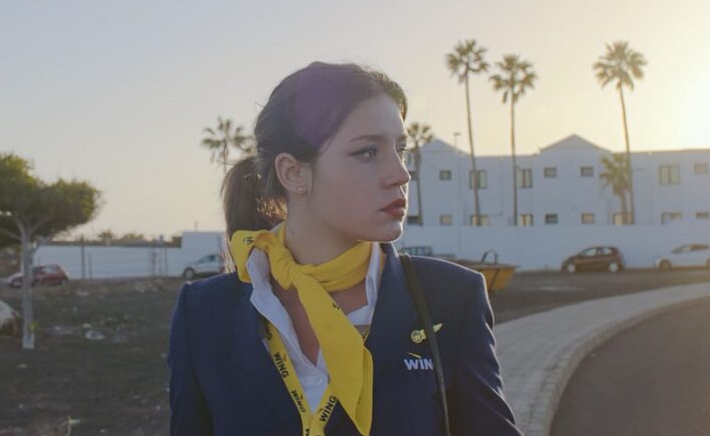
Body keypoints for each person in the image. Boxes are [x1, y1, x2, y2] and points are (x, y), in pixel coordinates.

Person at [167, 61, 522, 435]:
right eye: (368, 152)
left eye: (401, 149)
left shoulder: (450, 298)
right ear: (294, 172)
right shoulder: (204, 313)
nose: (401, 174)